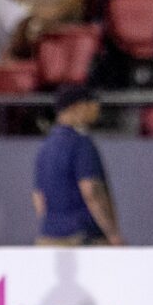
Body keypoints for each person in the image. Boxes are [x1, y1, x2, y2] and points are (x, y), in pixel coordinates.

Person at [33, 86, 124, 246]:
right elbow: (91, 191)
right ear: (78, 106)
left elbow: (39, 198)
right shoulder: (81, 143)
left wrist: (55, 226)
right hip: (83, 239)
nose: (97, 108)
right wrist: (112, 233)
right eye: (92, 103)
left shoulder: (45, 147)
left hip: (49, 238)